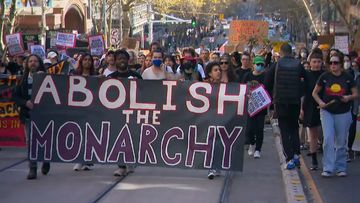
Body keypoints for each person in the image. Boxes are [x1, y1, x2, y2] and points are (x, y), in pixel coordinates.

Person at [312, 53, 358, 177]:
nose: (333, 65)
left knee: (341, 141)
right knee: (327, 139)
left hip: (343, 112)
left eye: (336, 62)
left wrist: (348, 97)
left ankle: (340, 167)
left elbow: (355, 94)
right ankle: (327, 167)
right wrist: (321, 102)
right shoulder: (324, 76)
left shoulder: (347, 77)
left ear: (341, 64)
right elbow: (315, 93)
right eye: (331, 62)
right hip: (327, 111)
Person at [267, 43, 305, 170]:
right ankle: (296, 155)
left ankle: (289, 158)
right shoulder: (298, 64)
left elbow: (267, 82)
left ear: (281, 52)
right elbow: (307, 81)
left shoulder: (277, 64)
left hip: (281, 102)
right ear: (291, 52)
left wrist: (271, 101)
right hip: (295, 102)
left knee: (284, 130)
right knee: (294, 128)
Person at [108, 49, 142, 176]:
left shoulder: (136, 76)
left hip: (133, 113)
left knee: (132, 138)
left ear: (128, 60)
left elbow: (145, 93)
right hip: (117, 114)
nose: (122, 60)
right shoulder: (110, 78)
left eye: (124, 58)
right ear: (115, 61)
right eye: (119, 58)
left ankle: (130, 161)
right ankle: (121, 165)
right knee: (117, 138)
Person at [13, 54, 47, 179]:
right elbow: (15, 96)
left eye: (35, 61)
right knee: (30, 142)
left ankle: (45, 160)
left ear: (39, 64)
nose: (33, 63)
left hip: (44, 115)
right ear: (27, 64)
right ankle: (32, 168)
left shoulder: (47, 78)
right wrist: (25, 102)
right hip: (27, 115)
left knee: (44, 140)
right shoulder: (22, 80)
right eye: (30, 61)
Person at [300, 48, 324, 170]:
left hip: (325, 106)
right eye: (314, 61)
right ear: (310, 63)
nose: (316, 64)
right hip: (309, 106)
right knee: (313, 134)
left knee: (326, 134)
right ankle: (314, 159)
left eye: (318, 62)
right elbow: (303, 94)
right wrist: (301, 109)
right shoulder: (306, 74)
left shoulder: (325, 75)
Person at [72, 53, 96, 171]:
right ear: (81, 62)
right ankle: (79, 160)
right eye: (85, 60)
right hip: (78, 109)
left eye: (89, 60)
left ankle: (88, 161)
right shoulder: (74, 74)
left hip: (91, 110)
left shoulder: (95, 75)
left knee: (90, 135)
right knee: (78, 135)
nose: (87, 62)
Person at [243, 56, 268, 159]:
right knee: (249, 129)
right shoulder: (247, 75)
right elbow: (242, 88)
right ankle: (252, 144)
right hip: (249, 107)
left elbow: (268, 91)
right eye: (258, 64)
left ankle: (258, 149)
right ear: (253, 65)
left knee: (259, 129)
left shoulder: (265, 77)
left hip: (261, 108)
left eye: (262, 65)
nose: (259, 66)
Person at [204, 62, 222, 179]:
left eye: (219, 69)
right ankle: (211, 168)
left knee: (219, 143)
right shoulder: (204, 86)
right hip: (208, 119)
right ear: (210, 73)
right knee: (210, 143)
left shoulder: (226, 86)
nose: (218, 72)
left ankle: (218, 166)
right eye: (215, 70)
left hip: (221, 119)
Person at [346, 56, 360, 161]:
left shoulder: (356, 76)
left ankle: (349, 148)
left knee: (353, 127)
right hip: (345, 106)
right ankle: (346, 149)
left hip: (355, 105)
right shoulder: (347, 74)